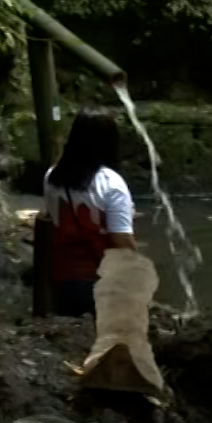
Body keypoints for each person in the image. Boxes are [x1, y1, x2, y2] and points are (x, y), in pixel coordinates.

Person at [40, 109, 136, 318]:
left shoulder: (53, 176)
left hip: (61, 278)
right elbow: (122, 240)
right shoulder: (111, 184)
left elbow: (51, 218)